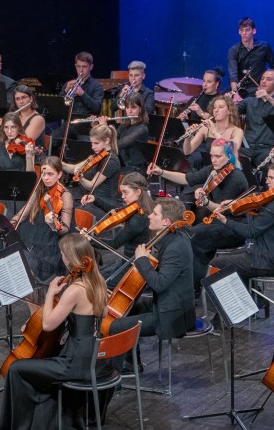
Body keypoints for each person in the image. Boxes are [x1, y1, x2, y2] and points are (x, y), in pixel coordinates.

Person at [0, 233, 109, 430]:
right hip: (93, 356)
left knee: (17, 369)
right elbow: (101, 315)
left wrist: (50, 295)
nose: (61, 257)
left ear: (70, 258)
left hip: (75, 363)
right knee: (44, 360)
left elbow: (47, 325)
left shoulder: (75, 290)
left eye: (62, 254)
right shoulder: (98, 281)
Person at [205, 162, 274, 319]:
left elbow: (251, 231)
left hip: (268, 260)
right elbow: (259, 216)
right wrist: (237, 205)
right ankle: (256, 300)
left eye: (271, 178)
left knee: (216, 264)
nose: (267, 181)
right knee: (232, 261)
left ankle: (227, 314)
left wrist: (226, 221)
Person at [107, 197, 195, 345]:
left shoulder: (175, 248)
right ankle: (133, 363)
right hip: (165, 303)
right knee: (127, 309)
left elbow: (159, 284)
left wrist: (141, 260)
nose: (149, 216)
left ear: (166, 222)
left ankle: (128, 368)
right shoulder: (172, 237)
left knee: (115, 327)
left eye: (154, 214)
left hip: (172, 315)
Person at [80, 172, 154, 288]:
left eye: (125, 192)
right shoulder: (139, 206)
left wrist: (91, 240)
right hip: (128, 261)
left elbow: (114, 244)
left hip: (133, 267)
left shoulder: (138, 218)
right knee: (98, 276)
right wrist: (95, 199)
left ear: (138, 192)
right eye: (122, 192)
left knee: (97, 284)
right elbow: (116, 212)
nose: (122, 196)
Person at [149, 138, 248, 222]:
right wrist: (161, 172)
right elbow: (186, 178)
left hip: (230, 222)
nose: (213, 160)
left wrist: (205, 201)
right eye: (212, 155)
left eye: (218, 156)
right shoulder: (213, 169)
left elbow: (222, 209)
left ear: (229, 157)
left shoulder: (235, 177)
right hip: (215, 217)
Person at [11, 157, 74, 281]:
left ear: (59, 174)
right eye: (43, 174)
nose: (45, 178)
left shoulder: (65, 196)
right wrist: (10, 223)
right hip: (38, 235)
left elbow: (65, 229)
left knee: (26, 271)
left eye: (50, 174)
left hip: (53, 243)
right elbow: (23, 213)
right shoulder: (39, 189)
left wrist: (53, 224)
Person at [235, 68, 274, 168]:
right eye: (262, 79)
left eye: (268, 79)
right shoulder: (250, 101)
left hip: (267, 149)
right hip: (247, 147)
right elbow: (232, 111)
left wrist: (268, 98)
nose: (264, 81)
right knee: (230, 157)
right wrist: (228, 102)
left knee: (269, 163)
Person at [52, 52, 105, 143]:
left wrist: (82, 93)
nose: (81, 70)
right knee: (52, 139)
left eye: (84, 67)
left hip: (86, 126)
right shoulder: (69, 84)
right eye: (78, 66)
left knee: (83, 144)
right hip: (69, 124)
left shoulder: (97, 86)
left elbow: (97, 108)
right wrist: (65, 91)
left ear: (91, 67)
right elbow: (58, 106)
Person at [181, 95, 245, 170]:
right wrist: (188, 138)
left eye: (220, 107)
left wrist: (214, 132)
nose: (216, 110)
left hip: (227, 169)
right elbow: (187, 151)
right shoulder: (205, 129)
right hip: (209, 168)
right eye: (214, 107)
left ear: (229, 111)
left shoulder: (237, 131)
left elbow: (231, 150)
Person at [63, 124, 121, 203]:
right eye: (92, 143)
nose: (92, 147)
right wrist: (60, 164)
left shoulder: (111, 161)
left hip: (100, 201)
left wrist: (81, 178)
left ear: (107, 141)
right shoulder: (96, 155)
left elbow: (92, 186)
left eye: (96, 143)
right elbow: (74, 168)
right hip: (84, 194)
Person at [227, 17, 274, 96]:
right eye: (242, 30)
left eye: (247, 30)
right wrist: (236, 94)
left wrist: (269, 86)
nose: (244, 33)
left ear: (254, 31)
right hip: (241, 89)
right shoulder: (233, 50)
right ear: (239, 32)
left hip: (259, 88)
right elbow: (233, 76)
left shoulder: (264, 47)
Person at [112, 94, 150, 174]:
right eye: (127, 107)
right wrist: (100, 127)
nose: (129, 111)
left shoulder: (142, 129)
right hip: (125, 166)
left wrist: (105, 127)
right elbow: (113, 139)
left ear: (140, 109)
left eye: (133, 107)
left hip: (137, 170)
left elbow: (118, 144)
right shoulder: (124, 125)